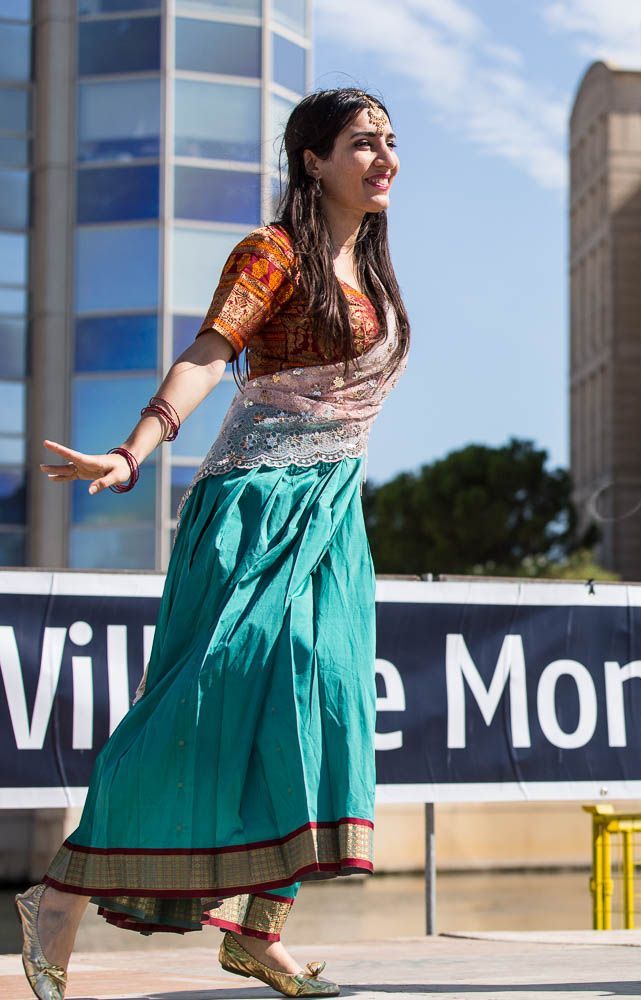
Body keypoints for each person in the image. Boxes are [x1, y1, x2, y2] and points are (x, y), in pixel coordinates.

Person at [16, 88, 409, 999]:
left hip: (331, 514)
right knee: (203, 701)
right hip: (253, 506)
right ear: (313, 160)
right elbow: (208, 353)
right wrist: (134, 450)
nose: (385, 158)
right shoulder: (271, 252)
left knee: (326, 695)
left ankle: (258, 931)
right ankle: (59, 897)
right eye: (363, 143)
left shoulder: (374, 272)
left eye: (391, 141)